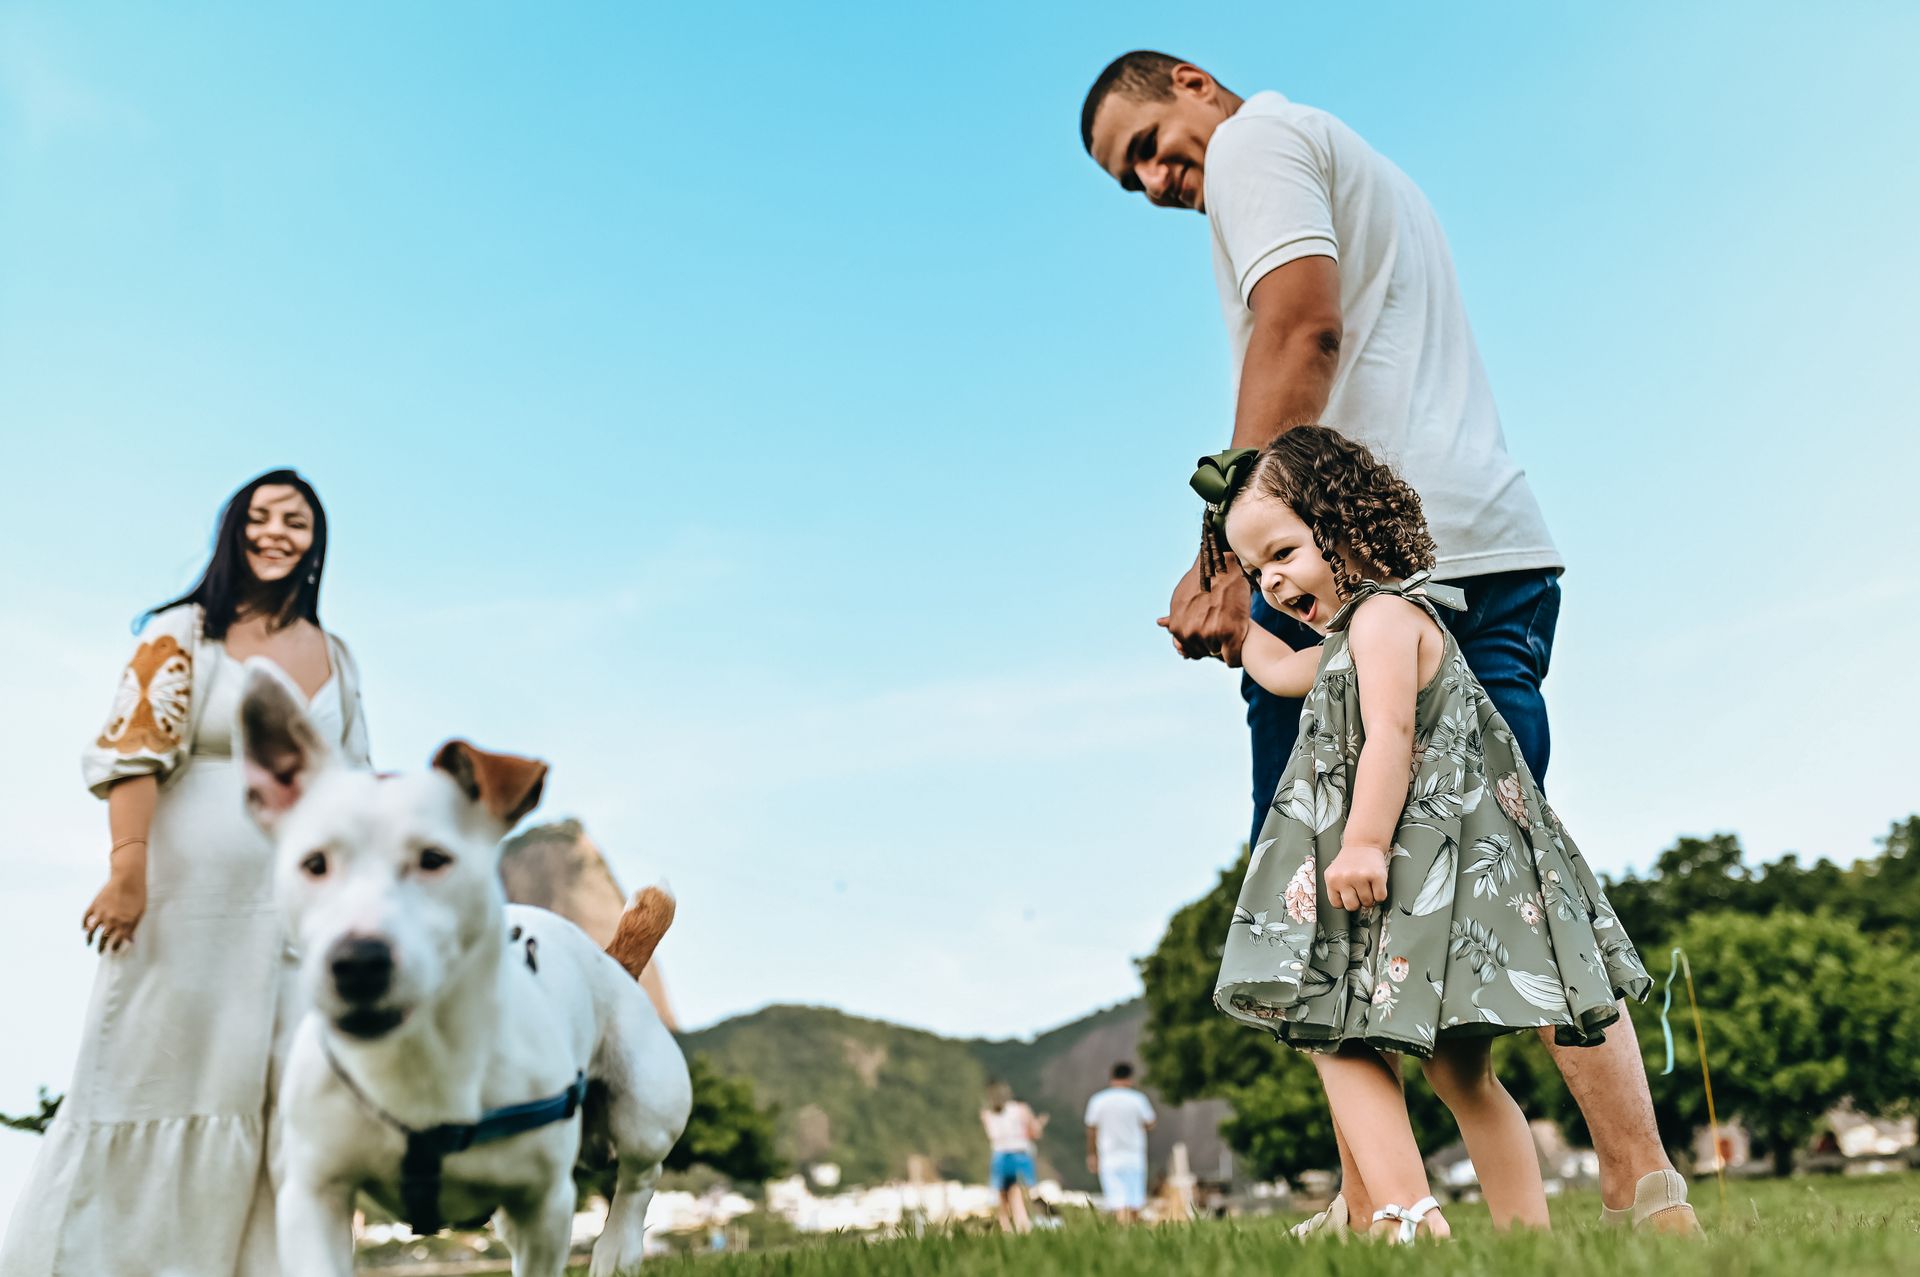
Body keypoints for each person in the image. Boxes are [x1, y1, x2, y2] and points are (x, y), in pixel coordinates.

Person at [1080, 50, 1698, 1233]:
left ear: (1198, 83)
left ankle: (1425, 1198)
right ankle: (1601, 1183)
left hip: (1375, 565)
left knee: (1324, 892)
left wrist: (1227, 554)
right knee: (1511, 873)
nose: (1157, 179)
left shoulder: (1262, 141)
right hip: (1492, 548)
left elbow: (1300, 324)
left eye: (1152, 142)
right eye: (1131, 179)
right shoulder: (1359, 164)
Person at [1201, 428, 1651, 1239]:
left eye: (1283, 551)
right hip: (1419, 883)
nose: (1271, 579)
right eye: (1254, 569)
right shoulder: (1357, 633)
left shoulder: (1382, 621)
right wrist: (1237, 627)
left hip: (1402, 872)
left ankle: (1407, 1214)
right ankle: (1525, 1240)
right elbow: (1278, 671)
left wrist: (1363, 841)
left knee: (1328, 1033)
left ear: (1341, 523)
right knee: (1460, 1071)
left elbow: (1391, 736)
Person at [0, 470, 373, 1276]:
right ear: (235, 529)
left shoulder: (336, 656)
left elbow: (353, 785)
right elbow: (132, 755)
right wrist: (126, 871)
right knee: (155, 1083)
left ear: (317, 541)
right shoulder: (183, 633)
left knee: (290, 1103)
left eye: (297, 521)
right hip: (184, 907)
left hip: (298, 922)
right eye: (262, 517)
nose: (278, 532)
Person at [1084, 1063, 1156, 1224]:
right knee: (1134, 1200)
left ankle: (1123, 1232)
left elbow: (1091, 1130)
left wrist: (1092, 1154)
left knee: (1117, 1201)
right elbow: (1150, 1123)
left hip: (1109, 1156)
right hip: (1134, 1155)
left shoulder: (1098, 1100)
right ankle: (1134, 1233)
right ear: (1130, 1078)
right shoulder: (1138, 1099)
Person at [979, 1081, 1045, 1233]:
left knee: (1002, 1199)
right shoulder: (1021, 1109)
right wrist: (1039, 1124)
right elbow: (1034, 1132)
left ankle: (1006, 1230)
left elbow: (991, 1136)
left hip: (1000, 1156)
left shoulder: (987, 1114)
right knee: (1018, 1196)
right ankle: (1023, 1228)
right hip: (1019, 1154)